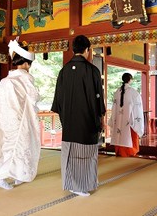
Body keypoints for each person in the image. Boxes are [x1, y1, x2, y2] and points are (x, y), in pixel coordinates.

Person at [51, 35, 106, 197]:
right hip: (87, 122)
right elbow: (99, 99)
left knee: (70, 153)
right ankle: (81, 186)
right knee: (86, 155)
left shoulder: (64, 71)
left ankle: (72, 183)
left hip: (69, 122)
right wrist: (100, 119)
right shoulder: (93, 71)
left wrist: (66, 117)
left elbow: (58, 100)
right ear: (87, 50)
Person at [0, 37, 41, 190]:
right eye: (29, 64)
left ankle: (18, 175)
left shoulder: (5, 81)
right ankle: (1, 176)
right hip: (20, 119)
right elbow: (34, 97)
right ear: (25, 63)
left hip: (6, 119)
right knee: (17, 147)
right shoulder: (25, 79)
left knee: (10, 146)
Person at [108, 73, 144, 157]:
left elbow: (114, 107)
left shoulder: (117, 91)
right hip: (128, 121)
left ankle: (119, 151)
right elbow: (137, 109)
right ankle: (129, 152)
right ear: (130, 80)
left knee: (119, 134)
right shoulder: (133, 93)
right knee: (129, 134)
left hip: (118, 120)